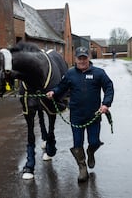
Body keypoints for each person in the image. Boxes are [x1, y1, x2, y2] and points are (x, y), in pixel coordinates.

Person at [46, 46, 114, 182]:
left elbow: (109, 87)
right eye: (79, 58)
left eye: (84, 58)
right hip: (76, 116)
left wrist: (106, 104)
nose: (82, 61)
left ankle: (91, 152)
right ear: (75, 59)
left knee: (94, 142)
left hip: (94, 115)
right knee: (77, 144)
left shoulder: (99, 73)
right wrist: (53, 92)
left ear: (88, 58)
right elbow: (61, 86)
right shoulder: (70, 74)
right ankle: (82, 168)